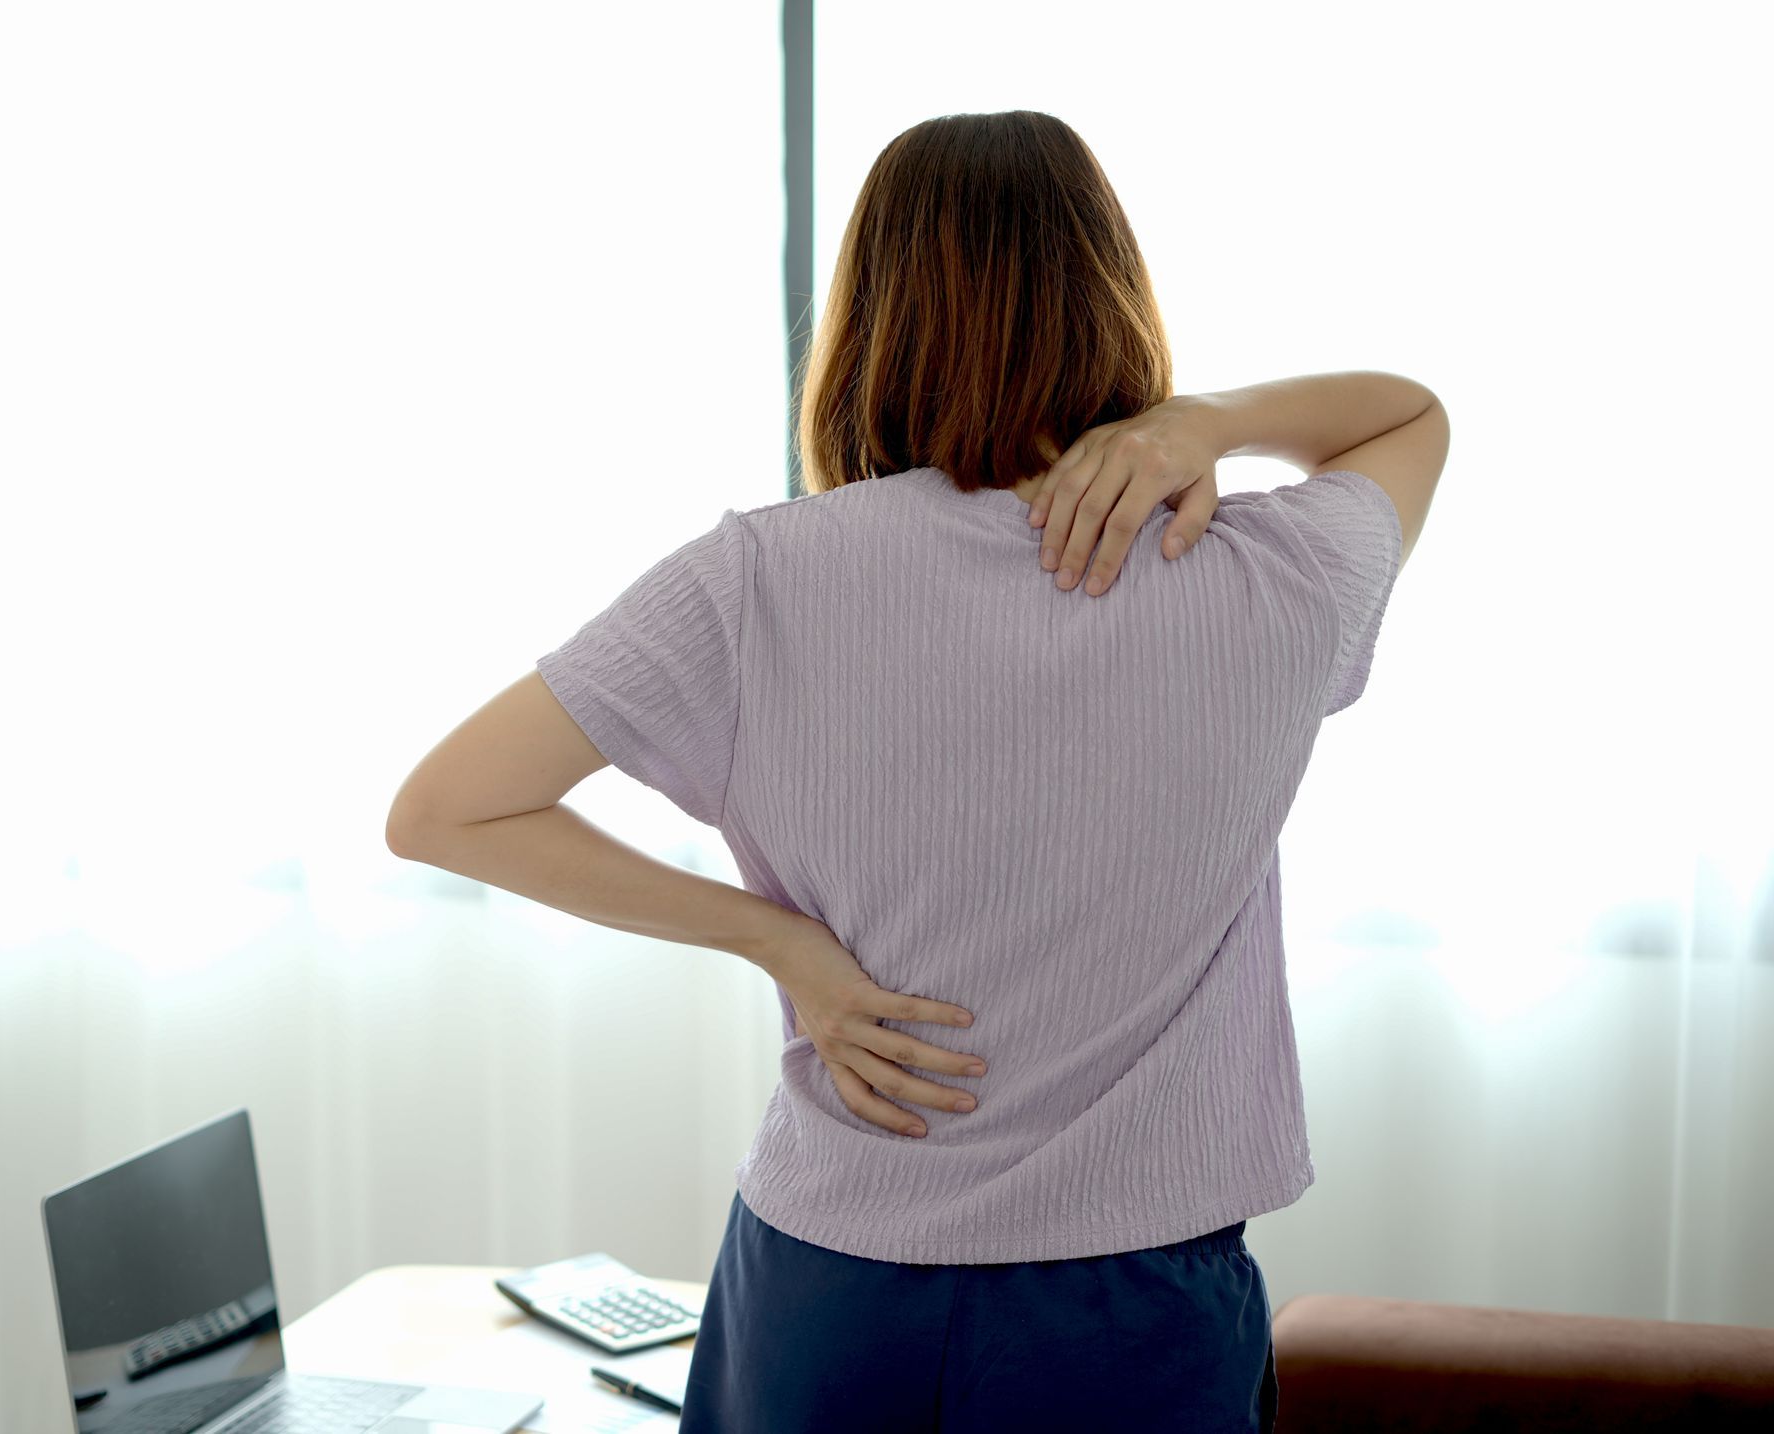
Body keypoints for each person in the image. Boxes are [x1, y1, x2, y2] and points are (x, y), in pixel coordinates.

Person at [534, 110, 1450, 1432]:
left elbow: (444, 807)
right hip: (1137, 1304)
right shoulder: (1269, 572)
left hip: (828, 1287)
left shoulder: (758, 578)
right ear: (1113, 301)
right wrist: (1207, 422)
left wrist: (781, 943)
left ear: (868, 322)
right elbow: (1409, 415)